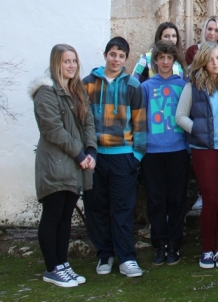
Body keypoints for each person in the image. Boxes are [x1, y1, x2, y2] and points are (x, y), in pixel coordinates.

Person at [31, 44, 99, 287]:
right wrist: (79, 154)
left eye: (73, 61)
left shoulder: (77, 90)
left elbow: (88, 122)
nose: (71, 66)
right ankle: (52, 266)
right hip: (56, 164)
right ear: (55, 64)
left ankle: (61, 263)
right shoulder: (46, 93)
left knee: (66, 216)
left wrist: (90, 150)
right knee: (53, 215)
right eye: (66, 61)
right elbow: (53, 130)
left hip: (75, 163)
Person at [82, 37, 146, 278]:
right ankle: (104, 254)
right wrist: (86, 152)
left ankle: (127, 258)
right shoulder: (87, 84)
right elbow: (81, 122)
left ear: (126, 59)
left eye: (121, 55)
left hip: (123, 157)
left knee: (123, 209)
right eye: (113, 54)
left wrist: (137, 155)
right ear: (106, 55)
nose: (116, 59)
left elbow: (140, 124)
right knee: (96, 207)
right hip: (94, 157)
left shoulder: (132, 86)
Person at [176, 41, 218, 270]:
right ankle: (206, 250)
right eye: (211, 58)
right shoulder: (193, 85)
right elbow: (180, 116)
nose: (215, 63)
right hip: (205, 150)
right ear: (203, 60)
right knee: (211, 198)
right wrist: (198, 130)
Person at [139, 41, 188, 267]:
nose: (165, 62)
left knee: (176, 199)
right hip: (153, 151)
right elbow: (140, 119)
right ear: (155, 60)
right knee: (156, 200)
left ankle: (174, 244)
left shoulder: (183, 84)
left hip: (177, 150)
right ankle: (159, 245)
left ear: (174, 60)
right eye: (161, 58)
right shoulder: (147, 87)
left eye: (169, 58)